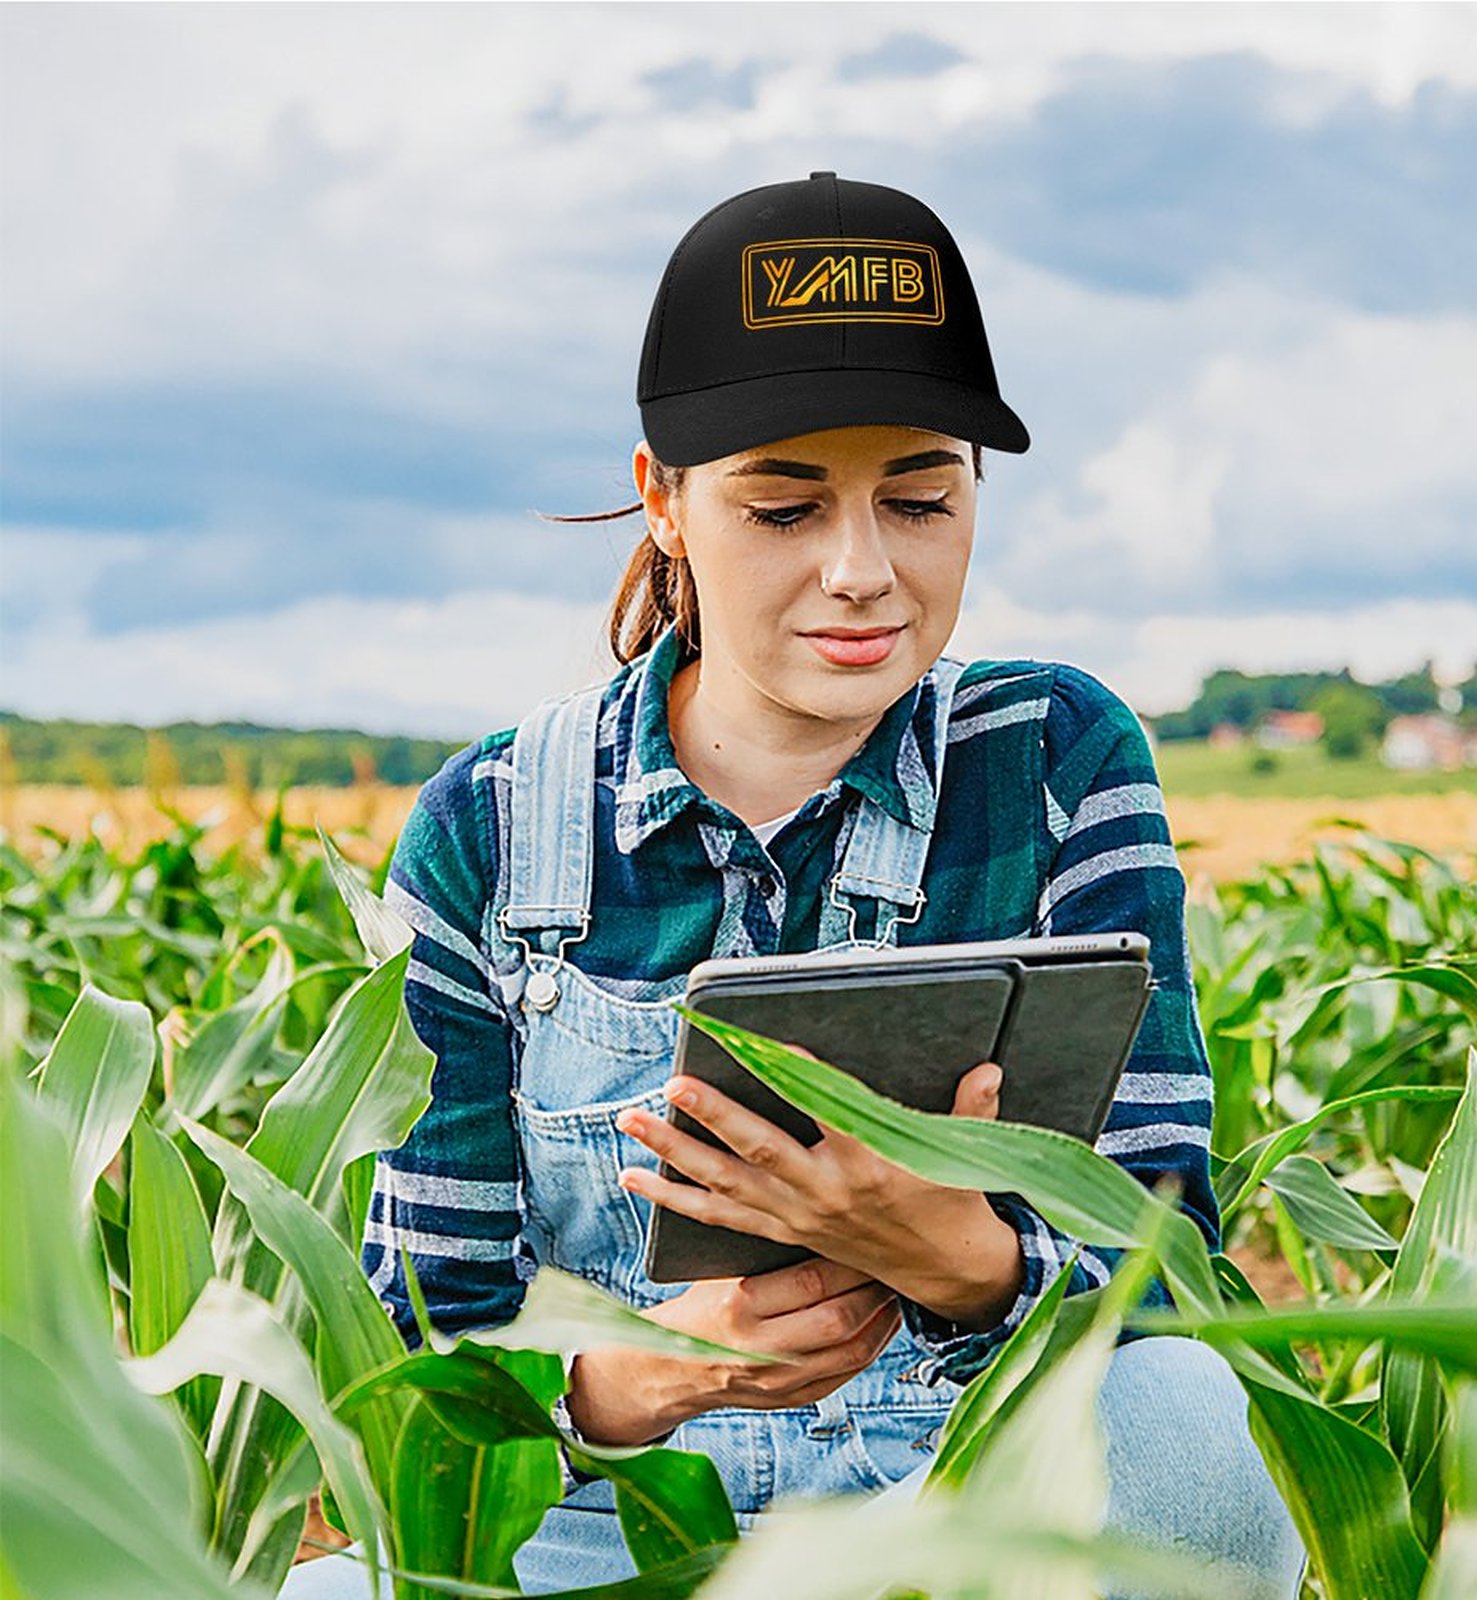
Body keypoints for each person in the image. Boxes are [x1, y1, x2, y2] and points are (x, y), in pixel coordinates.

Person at [284, 173, 1303, 1598]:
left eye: (922, 498)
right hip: (608, 1534)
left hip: (971, 1513)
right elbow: (413, 1344)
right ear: (667, 502)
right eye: (783, 507)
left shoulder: (1060, 759)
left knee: (1193, 1435)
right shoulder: (491, 827)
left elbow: (1170, 1257)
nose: (864, 573)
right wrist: (623, 1385)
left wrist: (970, 1264)